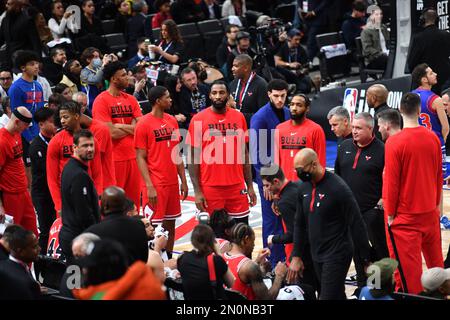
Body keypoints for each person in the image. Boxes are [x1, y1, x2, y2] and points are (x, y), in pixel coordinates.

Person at [288, 148, 371, 300]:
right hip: (316, 253)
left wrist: (366, 259)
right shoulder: (303, 187)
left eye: (300, 169)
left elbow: (357, 224)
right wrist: (296, 255)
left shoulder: (338, 188)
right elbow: (299, 223)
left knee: (327, 297)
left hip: (337, 253)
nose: (297, 173)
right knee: (336, 295)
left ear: (314, 164)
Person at [383, 93, 444, 294]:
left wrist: (390, 214)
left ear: (400, 111)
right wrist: (436, 206)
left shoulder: (394, 142)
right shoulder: (433, 138)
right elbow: (438, 176)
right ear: (419, 110)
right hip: (430, 213)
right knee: (438, 274)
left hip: (405, 220)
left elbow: (392, 183)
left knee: (410, 280)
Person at [187, 80, 256, 224]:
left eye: (221, 93)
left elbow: (245, 154)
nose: (218, 96)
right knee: (214, 238)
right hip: (210, 188)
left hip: (236, 186)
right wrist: (197, 192)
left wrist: (249, 186)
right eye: (214, 93)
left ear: (228, 95)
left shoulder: (239, 117)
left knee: (241, 233)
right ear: (210, 96)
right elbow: (193, 158)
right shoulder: (198, 119)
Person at [334, 112, 388, 294]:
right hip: (349, 213)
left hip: (372, 212)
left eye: (358, 128)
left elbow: (389, 181)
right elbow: (338, 178)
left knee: (378, 252)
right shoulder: (344, 147)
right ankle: (363, 289)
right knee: (358, 254)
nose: (354, 131)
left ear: (370, 129)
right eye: (353, 127)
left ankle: (378, 291)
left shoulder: (383, 150)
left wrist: (381, 203)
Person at [135, 86, 188, 254]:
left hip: (172, 182)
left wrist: (183, 180)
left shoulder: (172, 120)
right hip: (155, 183)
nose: (171, 99)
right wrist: (149, 185)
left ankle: (168, 259)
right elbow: (140, 157)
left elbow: (176, 152)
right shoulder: (143, 123)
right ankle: (153, 261)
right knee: (153, 228)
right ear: (158, 101)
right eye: (167, 97)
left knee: (170, 225)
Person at [249, 79, 290, 267]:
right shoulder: (260, 117)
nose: (280, 99)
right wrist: (265, 182)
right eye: (276, 96)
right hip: (269, 178)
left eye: (283, 95)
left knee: (287, 219)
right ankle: (273, 262)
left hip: (285, 176)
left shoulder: (289, 112)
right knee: (271, 221)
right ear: (268, 94)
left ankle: (286, 259)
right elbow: (257, 153)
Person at [92, 61, 143, 209]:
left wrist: (119, 125)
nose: (128, 77)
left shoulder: (131, 99)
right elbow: (110, 133)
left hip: (134, 158)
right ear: (114, 79)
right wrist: (131, 126)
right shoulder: (101, 101)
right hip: (113, 160)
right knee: (115, 204)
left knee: (134, 205)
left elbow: (141, 129)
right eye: (123, 75)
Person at [260, 165, 318, 291]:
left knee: (307, 291)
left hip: (306, 254)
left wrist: (273, 239)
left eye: (267, 185)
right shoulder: (299, 186)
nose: (266, 189)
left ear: (276, 181)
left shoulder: (285, 203)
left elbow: (295, 234)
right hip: (319, 246)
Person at [47, 101, 103, 215]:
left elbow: (97, 173)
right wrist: (58, 205)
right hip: (67, 197)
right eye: (61, 117)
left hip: (88, 194)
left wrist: (97, 197)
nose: (62, 121)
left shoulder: (91, 140)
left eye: (66, 117)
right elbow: (52, 178)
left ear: (77, 116)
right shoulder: (55, 142)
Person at [72, 239, 166, 300]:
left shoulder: (95, 295)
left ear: (100, 272)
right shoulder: (150, 286)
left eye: (89, 267)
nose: (84, 271)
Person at [59, 129, 100, 261]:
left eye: (91, 145)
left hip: (73, 236)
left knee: (77, 280)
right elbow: (84, 212)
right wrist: (96, 234)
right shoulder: (79, 175)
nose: (89, 149)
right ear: (74, 148)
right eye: (85, 146)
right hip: (78, 239)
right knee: (77, 281)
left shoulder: (71, 167)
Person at [85, 186, 149, 264]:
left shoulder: (94, 231)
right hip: (135, 273)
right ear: (123, 206)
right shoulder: (138, 225)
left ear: (104, 206)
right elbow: (144, 257)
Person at [222, 223, 288, 299]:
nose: (254, 245)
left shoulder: (221, 257)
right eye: (253, 241)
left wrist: (257, 262)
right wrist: (279, 275)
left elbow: (239, 279)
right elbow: (267, 300)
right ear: (246, 239)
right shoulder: (249, 267)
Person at [0, 107, 38, 235]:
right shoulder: (2, 141)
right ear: (17, 122)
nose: (27, 128)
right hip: (10, 195)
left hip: (23, 192)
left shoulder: (17, 134)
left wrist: (28, 188)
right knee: (13, 237)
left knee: (32, 232)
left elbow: (20, 163)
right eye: (26, 125)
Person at [8, 50, 45, 174]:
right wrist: (29, 137)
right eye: (32, 64)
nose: (36, 66)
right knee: (30, 169)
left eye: (36, 63)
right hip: (24, 134)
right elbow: (17, 117)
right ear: (23, 67)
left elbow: (41, 112)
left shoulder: (38, 85)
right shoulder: (16, 88)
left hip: (40, 131)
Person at [275, 94, 326, 182]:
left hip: (306, 184)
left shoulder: (316, 129)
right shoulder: (279, 128)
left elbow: (320, 161)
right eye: (292, 104)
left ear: (307, 109)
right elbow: (276, 159)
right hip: (285, 184)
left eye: (299, 105)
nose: (294, 108)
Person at [412, 63, 449, 183]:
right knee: (440, 182)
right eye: (431, 73)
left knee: (419, 179)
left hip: (416, 144)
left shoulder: (409, 97)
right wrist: (440, 140)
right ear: (424, 79)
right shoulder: (436, 99)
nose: (435, 74)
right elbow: (446, 127)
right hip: (434, 144)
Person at [177, 224, 235, 300]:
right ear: (212, 242)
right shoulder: (217, 261)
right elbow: (231, 283)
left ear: (192, 241)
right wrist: (218, 253)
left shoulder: (182, 258)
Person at [29, 108, 57, 254]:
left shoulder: (56, 140)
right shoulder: (36, 146)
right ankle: (42, 261)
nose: (55, 125)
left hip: (54, 192)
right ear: (41, 124)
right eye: (52, 122)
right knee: (45, 229)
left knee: (56, 226)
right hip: (42, 194)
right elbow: (48, 170)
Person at [407, 8, 450, 95]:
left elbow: (411, 63)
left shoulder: (418, 38)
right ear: (437, 20)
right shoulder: (446, 35)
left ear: (422, 20)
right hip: (444, 81)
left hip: (426, 82)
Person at [0, 227, 41, 299]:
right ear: (20, 251)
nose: (39, 249)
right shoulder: (28, 283)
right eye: (34, 247)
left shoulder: (2, 266)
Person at [0, 0, 41, 68]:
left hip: (25, 58)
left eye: (9, 4)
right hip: (9, 59)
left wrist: (39, 60)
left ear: (17, 6)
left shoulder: (27, 20)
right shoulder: (5, 20)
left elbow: (35, 42)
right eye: (6, 4)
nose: (6, 6)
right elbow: (1, 39)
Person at [229, 54, 268, 125]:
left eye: (236, 66)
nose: (232, 69)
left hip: (253, 128)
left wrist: (240, 115)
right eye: (233, 66)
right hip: (235, 127)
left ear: (246, 68)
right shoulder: (233, 83)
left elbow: (263, 115)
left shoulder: (261, 85)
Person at [274, 29, 312, 94]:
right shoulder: (283, 46)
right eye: (296, 39)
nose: (298, 42)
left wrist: (303, 70)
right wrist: (289, 64)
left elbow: (306, 64)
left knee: (307, 87)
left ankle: (295, 88)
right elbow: (277, 62)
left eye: (299, 39)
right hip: (285, 72)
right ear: (289, 39)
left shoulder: (301, 48)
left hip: (297, 73)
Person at [360, 5, 389, 71]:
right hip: (373, 60)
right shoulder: (366, 31)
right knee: (387, 59)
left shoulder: (384, 28)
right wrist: (381, 54)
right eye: (377, 14)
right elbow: (367, 49)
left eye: (381, 14)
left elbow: (389, 42)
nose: (380, 16)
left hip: (386, 55)